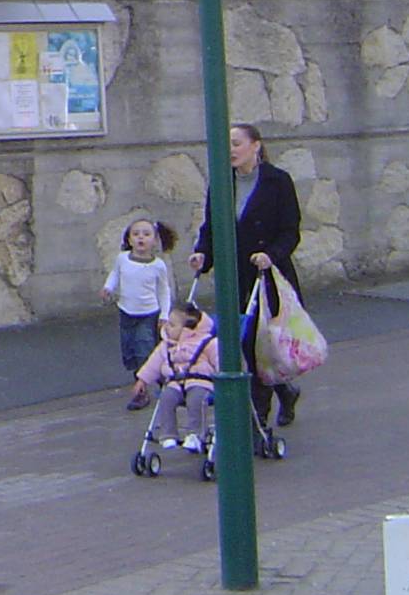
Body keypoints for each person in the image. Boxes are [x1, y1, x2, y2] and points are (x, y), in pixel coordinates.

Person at [189, 122, 303, 426]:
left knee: (266, 346)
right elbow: (211, 227)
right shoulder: (221, 182)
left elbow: (290, 232)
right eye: (226, 144)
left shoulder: (278, 181)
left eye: (236, 143)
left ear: (255, 145)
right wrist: (204, 254)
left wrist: (271, 255)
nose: (230, 151)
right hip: (235, 277)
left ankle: (262, 414)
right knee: (245, 344)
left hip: (268, 276)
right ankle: (271, 402)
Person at [101, 217, 176, 406]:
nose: (141, 238)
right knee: (130, 352)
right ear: (129, 239)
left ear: (155, 239)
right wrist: (108, 288)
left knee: (144, 350)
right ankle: (151, 376)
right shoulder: (122, 259)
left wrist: (164, 315)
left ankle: (143, 390)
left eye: (146, 234)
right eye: (136, 234)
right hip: (126, 312)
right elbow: (115, 274)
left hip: (148, 314)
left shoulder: (158, 265)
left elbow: (163, 291)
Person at [131, 304, 219, 450]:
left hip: (200, 382)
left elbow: (219, 359)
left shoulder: (207, 342)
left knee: (196, 400)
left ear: (186, 328)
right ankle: (168, 434)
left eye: (172, 325)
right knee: (166, 398)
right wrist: (142, 380)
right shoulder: (167, 345)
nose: (166, 328)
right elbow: (153, 362)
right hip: (175, 382)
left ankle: (195, 434)